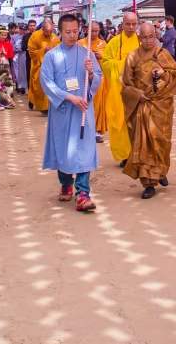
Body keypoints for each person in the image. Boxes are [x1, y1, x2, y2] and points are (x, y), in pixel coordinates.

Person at [40, 13, 103, 212]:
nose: (72, 36)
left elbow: (98, 79)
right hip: (63, 110)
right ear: (60, 32)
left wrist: (91, 72)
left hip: (83, 110)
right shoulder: (52, 56)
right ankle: (66, 183)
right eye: (68, 32)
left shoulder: (86, 53)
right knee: (64, 149)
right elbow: (47, 83)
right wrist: (69, 97)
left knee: (84, 150)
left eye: (76, 31)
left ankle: (83, 193)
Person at [120, 22, 176, 199]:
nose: (148, 40)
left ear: (156, 36)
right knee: (142, 144)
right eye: (144, 37)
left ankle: (160, 170)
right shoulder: (132, 57)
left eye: (151, 37)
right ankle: (148, 183)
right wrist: (137, 94)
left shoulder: (163, 55)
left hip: (161, 106)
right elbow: (125, 84)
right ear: (139, 38)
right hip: (141, 106)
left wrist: (163, 73)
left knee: (160, 141)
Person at [102, 9, 140, 164]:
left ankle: (137, 153)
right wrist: (123, 64)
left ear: (137, 24)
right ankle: (124, 155)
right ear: (122, 25)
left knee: (138, 122)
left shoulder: (141, 41)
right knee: (121, 122)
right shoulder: (115, 42)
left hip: (138, 90)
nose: (131, 27)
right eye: (128, 24)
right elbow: (105, 62)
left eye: (133, 24)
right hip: (119, 89)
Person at [28, 18, 59, 116]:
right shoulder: (35, 36)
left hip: (51, 66)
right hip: (38, 65)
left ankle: (46, 108)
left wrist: (52, 51)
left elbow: (59, 51)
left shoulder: (54, 37)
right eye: (46, 32)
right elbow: (31, 52)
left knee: (50, 86)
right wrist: (42, 50)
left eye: (50, 32)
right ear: (42, 28)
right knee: (39, 87)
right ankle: (36, 103)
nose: (48, 34)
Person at [83, 21, 108, 141]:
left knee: (97, 104)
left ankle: (97, 130)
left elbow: (108, 60)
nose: (94, 33)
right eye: (91, 31)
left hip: (98, 79)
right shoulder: (80, 44)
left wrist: (102, 56)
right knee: (84, 103)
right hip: (83, 78)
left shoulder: (103, 44)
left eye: (96, 31)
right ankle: (84, 129)